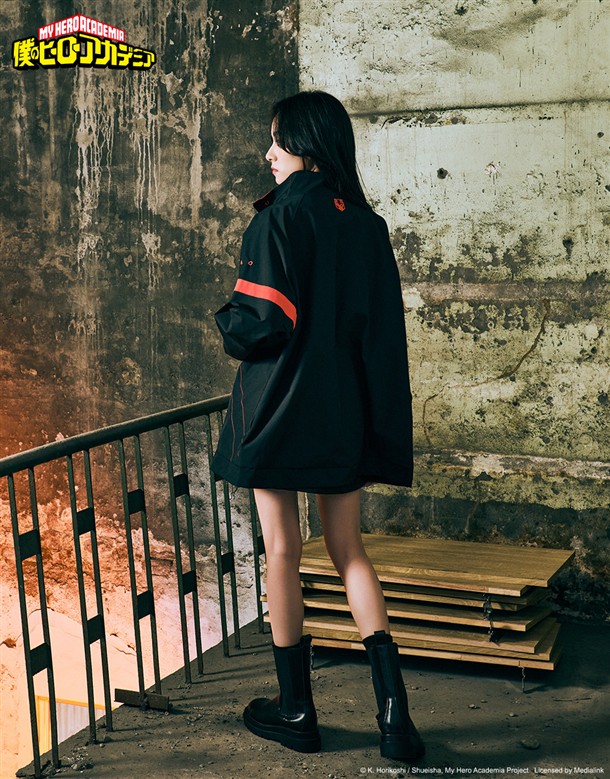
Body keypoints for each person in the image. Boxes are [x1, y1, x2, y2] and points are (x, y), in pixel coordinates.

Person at [211, 90, 424, 762]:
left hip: (277, 411)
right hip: (343, 412)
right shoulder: (366, 225)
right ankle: (395, 717)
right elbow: (379, 337)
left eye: (277, 139)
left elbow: (261, 325)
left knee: (281, 549)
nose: (269, 153)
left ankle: (297, 710)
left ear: (304, 143)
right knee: (349, 549)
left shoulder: (278, 218)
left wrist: (224, 319)